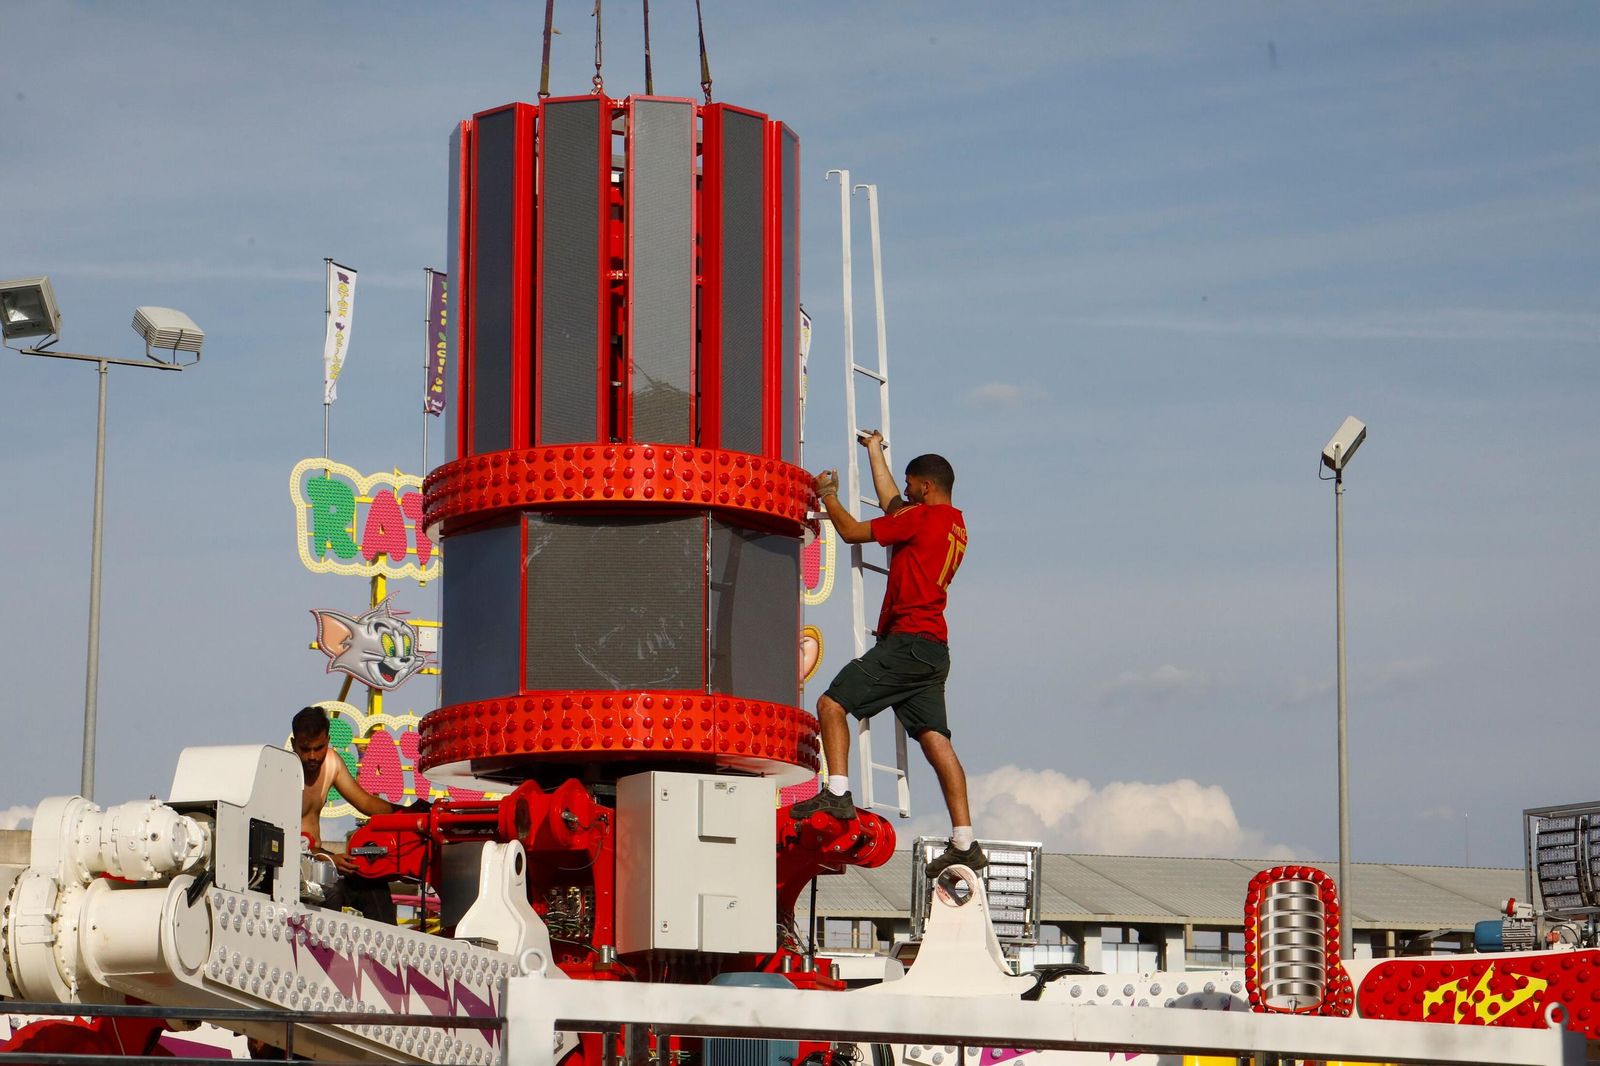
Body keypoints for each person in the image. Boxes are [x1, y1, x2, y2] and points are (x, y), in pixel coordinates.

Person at [793, 431, 983, 878]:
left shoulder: (922, 520)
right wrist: (875, 451)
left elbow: (854, 531)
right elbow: (891, 501)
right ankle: (965, 841)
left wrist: (830, 497)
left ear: (926, 487)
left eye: (911, 483)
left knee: (831, 704)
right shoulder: (953, 523)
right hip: (933, 650)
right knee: (937, 740)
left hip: (907, 641)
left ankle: (837, 793)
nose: (906, 488)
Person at [291, 705, 398, 922]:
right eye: (305, 749)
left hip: (320, 863)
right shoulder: (282, 771)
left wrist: (406, 812)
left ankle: (387, 955)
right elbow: (285, 840)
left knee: (374, 887)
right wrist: (330, 858)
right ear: (294, 744)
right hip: (294, 870)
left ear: (328, 741)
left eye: (318, 748)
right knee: (332, 893)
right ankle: (328, 953)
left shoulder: (331, 762)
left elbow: (366, 802)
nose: (312, 756)